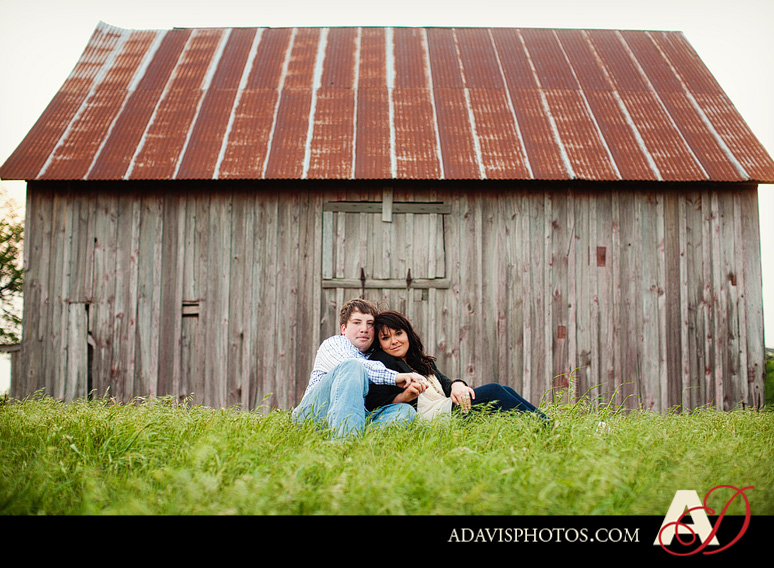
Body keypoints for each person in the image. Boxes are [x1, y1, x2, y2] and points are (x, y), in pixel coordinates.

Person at [366, 310, 549, 423]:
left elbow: (446, 383)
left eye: (398, 333)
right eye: (386, 338)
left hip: (444, 406)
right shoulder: (382, 362)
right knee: (493, 390)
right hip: (429, 417)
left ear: (407, 334)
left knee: (505, 389)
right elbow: (374, 403)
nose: (394, 341)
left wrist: (458, 385)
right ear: (379, 343)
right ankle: (545, 427)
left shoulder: (420, 362)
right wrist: (404, 396)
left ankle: (543, 424)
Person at [292, 298, 427, 438]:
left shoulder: (375, 356)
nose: (364, 329)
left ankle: (363, 442)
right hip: (313, 415)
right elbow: (356, 366)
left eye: (370, 324)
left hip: (357, 417)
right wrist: (396, 377)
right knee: (353, 366)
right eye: (357, 323)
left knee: (404, 411)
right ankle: (344, 444)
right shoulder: (334, 344)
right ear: (343, 329)